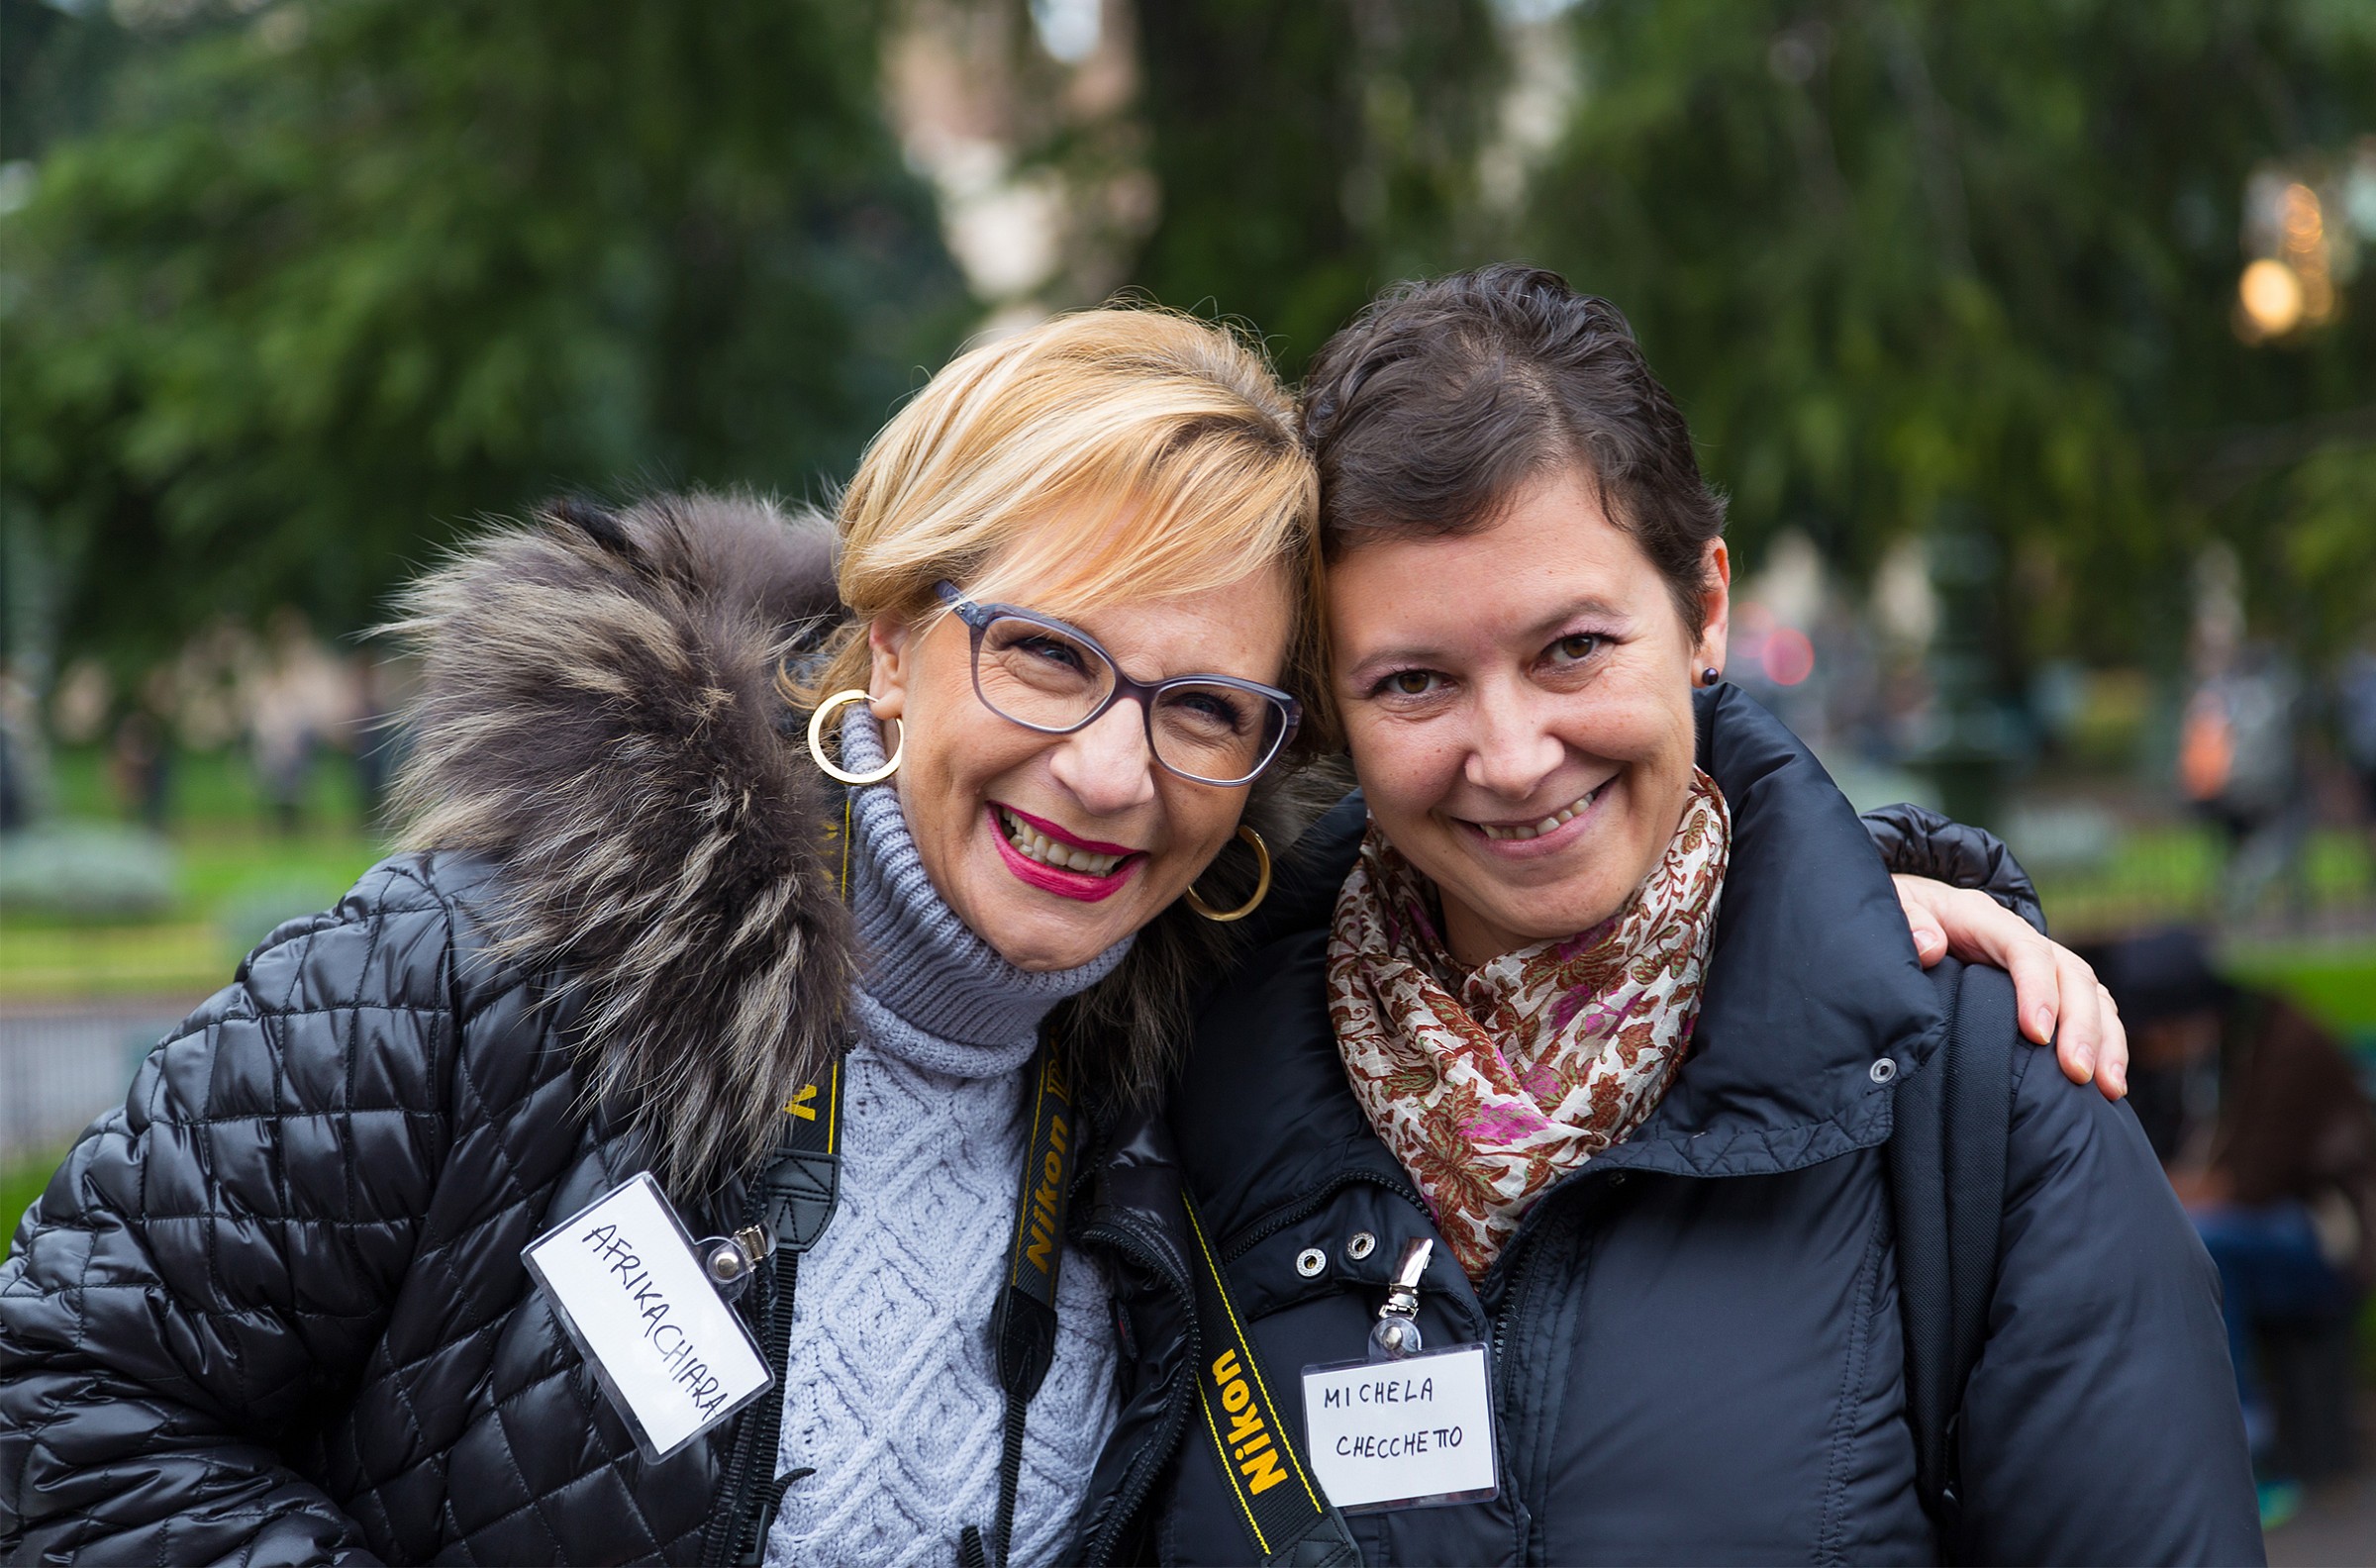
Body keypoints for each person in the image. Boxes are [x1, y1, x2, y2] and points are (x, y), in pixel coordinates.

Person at [0, 305, 2115, 1567]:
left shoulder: (1165, 1071)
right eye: (1046, 660)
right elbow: (57, 1402)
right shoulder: (498, 972)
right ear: (894, 636)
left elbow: (1523, 820)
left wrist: (1859, 899)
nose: (1114, 774)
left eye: (1203, 707)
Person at [1142, 267, 2257, 1565]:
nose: (1510, 753)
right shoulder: (1198, 1076)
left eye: (1573, 648)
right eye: (1414, 681)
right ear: (1333, 707)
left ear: (1704, 613)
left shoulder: (1978, 1087)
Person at [2103, 928, 2375, 1500]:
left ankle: (2246, 1443)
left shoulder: (2281, 1041)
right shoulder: (2209, 1047)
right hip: (2255, 1216)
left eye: (2154, 1032)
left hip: (2328, 1227)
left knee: (2199, 1244)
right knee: (2173, 1239)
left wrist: (2139, 1193)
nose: (2148, 1046)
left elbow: (2245, 1185)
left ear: (2186, 1014)